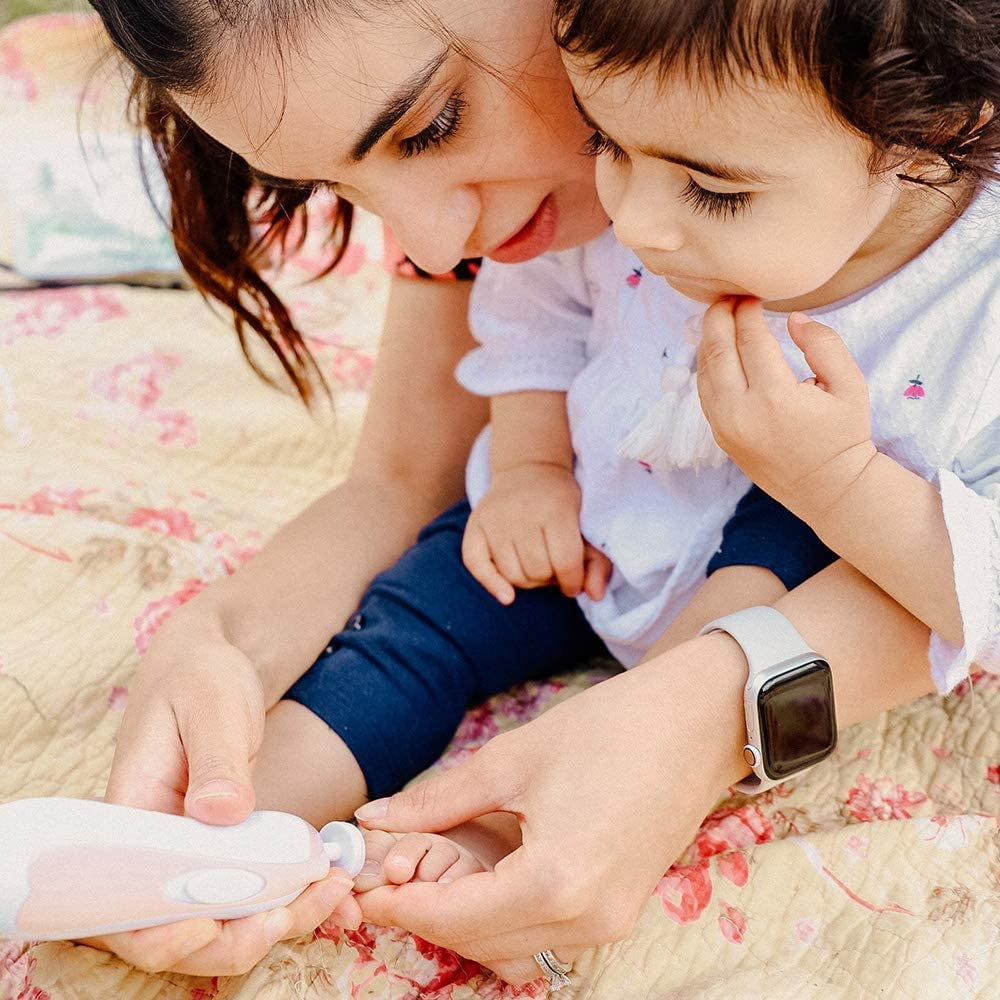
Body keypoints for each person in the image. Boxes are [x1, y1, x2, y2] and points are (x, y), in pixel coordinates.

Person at [78, 0, 996, 987]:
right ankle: (229, 820)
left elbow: (948, 560)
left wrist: (698, 716)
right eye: (339, 186)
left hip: (769, 534)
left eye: (432, 123)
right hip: (584, 516)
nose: (431, 243)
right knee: (419, 618)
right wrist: (221, 638)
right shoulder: (578, 203)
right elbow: (410, 464)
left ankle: (488, 825)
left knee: (763, 555)